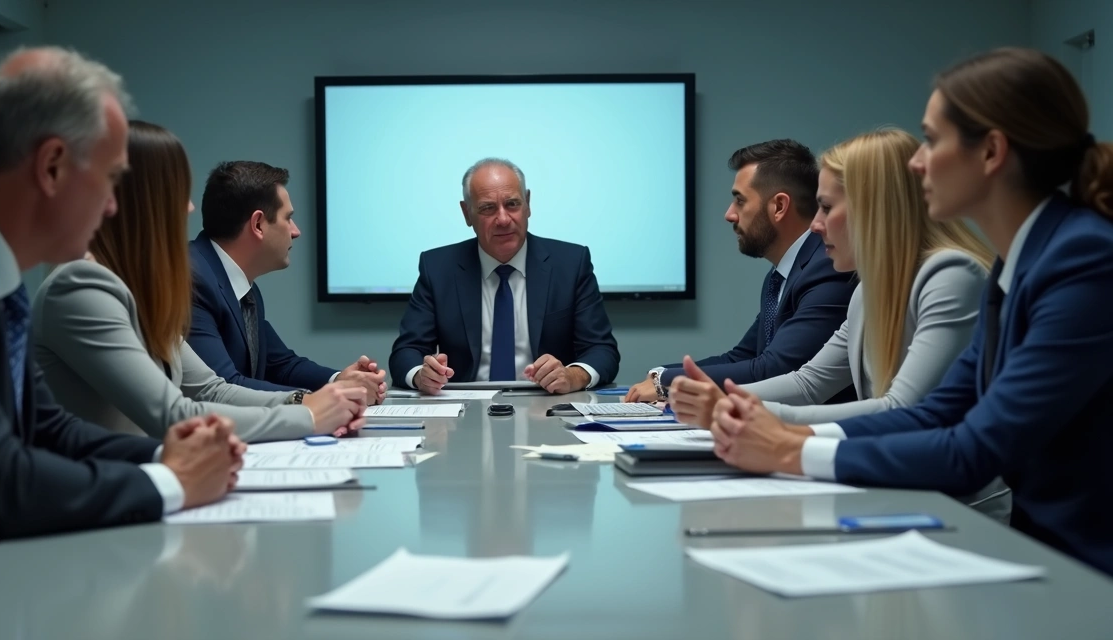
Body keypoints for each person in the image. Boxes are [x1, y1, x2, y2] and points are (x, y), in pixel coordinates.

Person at [708, 48, 1113, 575]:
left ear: (991, 152)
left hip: (1083, 572)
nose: (917, 161)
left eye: (932, 139)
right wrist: (783, 436)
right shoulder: (1016, 267)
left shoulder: (1083, 261)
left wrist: (789, 450)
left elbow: (973, 450)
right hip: (1045, 560)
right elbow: (935, 412)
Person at [0, 47, 242, 592]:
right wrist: (170, 482)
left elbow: (44, 427)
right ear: (52, 166)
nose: (112, 207)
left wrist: (170, 451)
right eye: (110, 178)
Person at [33, 121, 367, 443]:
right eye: (179, 191)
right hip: (105, 491)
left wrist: (305, 403)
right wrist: (309, 416)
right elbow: (172, 414)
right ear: (145, 200)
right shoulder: (81, 286)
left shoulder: (136, 287)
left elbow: (211, 390)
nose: (190, 207)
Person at [625, 140, 857, 403]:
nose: (729, 214)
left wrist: (667, 382)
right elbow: (744, 356)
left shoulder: (829, 267)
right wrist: (661, 374)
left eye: (739, 201)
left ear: (779, 206)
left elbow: (775, 368)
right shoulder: (781, 275)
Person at [388, 158, 621, 394]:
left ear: (527, 204)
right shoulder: (438, 267)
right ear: (467, 213)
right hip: (466, 407)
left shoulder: (571, 263)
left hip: (548, 404)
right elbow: (406, 351)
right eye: (488, 208)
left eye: (512, 204)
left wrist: (572, 376)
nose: (503, 219)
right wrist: (421, 375)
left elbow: (602, 350)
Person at [187, 161, 386, 404]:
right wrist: (322, 399)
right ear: (258, 224)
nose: (296, 231)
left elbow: (280, 364)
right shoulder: (192, 279)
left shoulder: (241, 286)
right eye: (288, 218)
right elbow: (224, 386)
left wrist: (339, 380)